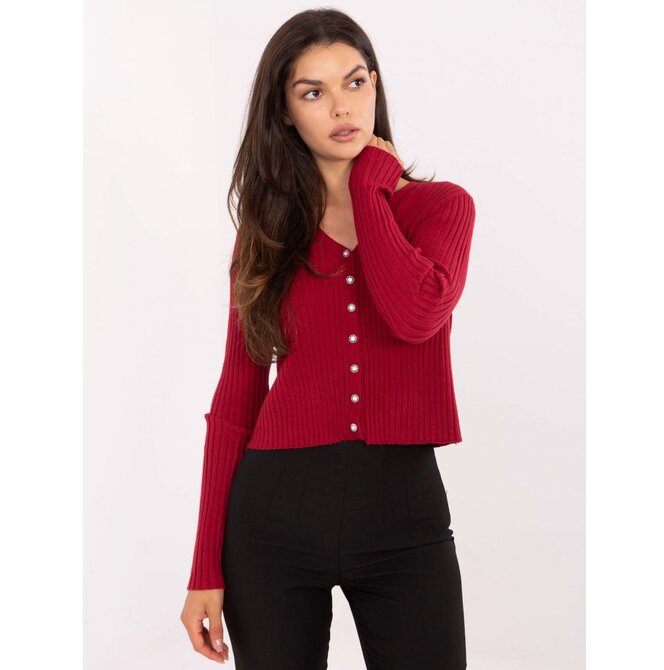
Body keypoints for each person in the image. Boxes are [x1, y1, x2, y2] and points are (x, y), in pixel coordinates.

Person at [180, 8, 476, 669]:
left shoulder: (441, 208)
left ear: (376, 86)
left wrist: (370, 188)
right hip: (271, 521)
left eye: (355, 82)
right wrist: (204, 567)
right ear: (286, 113)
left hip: (404, 520)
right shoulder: (265, 234)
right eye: (312, 92)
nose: (342, 106)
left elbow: (416, 316)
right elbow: (236, 398)